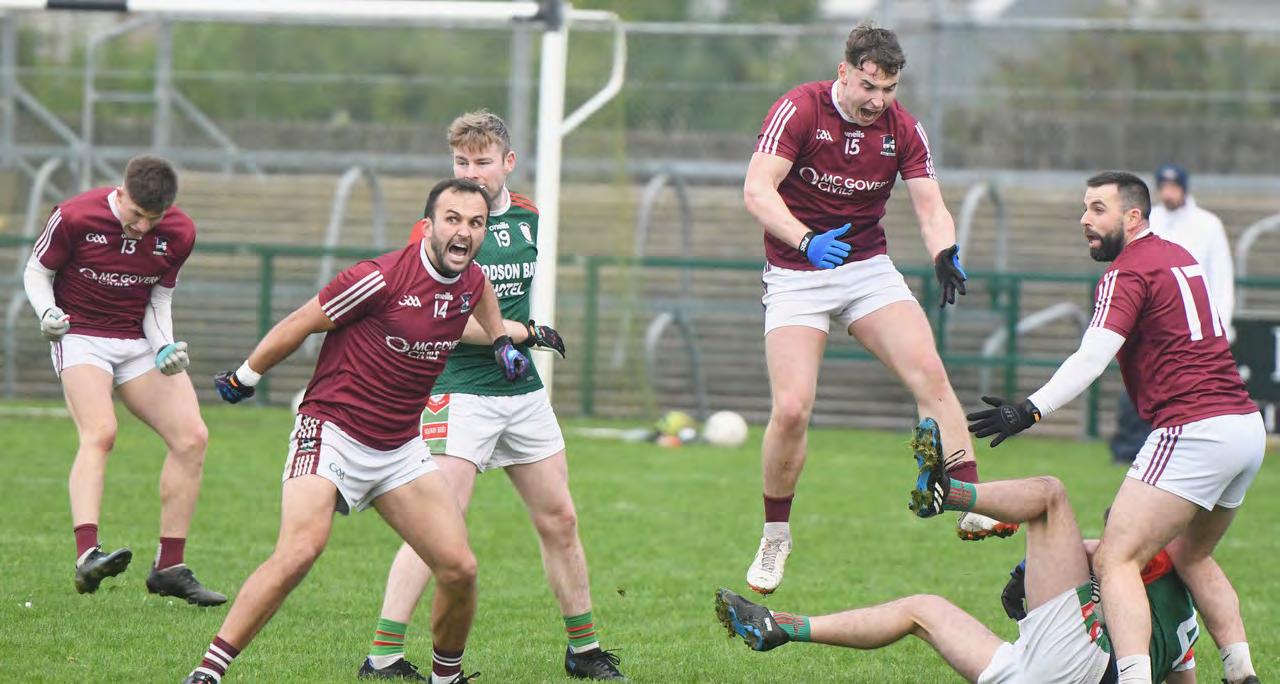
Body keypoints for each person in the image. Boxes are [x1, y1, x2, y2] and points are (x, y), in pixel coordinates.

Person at [181, 178, 529, 684]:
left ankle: (446, 678)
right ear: (428, 226)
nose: (464, 232)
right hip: (332, 431)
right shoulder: (379, 278)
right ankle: (208, 672)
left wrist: (500, 342)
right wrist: (245, 376)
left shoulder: (471, 279)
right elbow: (302, 321)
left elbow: (482, 295)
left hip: (399, 447)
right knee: (300, 550)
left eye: (476, 223)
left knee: (460, 569)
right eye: (453, 219)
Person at [740, 21, 1013, 595]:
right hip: (797, 273)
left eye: (888, 89)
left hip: (866, 270)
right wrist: (806, 241)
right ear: (844, 72)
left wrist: (944, 251)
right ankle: (775, 536)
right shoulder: (799, 109)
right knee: (792, 409)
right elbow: (757, 190)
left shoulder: (903, 128)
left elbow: (930, 206)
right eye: (868, 86)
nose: (877, 101)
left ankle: (969, 502)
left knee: (930, 374)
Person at [358, 111, 626, 681]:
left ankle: (584, 651)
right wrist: (522, 333)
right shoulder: (435, 231)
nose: (471, 172)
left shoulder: (528, 216)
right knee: (438, 524)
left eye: (482, 161)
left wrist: (518, 337)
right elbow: (442, 317)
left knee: (561, 518)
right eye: (461, 162)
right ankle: (382, 656)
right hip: (458, 390)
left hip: (520, 389)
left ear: (508, 163)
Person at [966, 171, 1262, 684]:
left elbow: (1092, 356)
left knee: (1117, 559)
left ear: (1133, 216)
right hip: (1244, 427)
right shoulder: (1178, 255)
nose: (1085, 219)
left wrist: (1030, 409)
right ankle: (1242, 673)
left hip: (1194, 429)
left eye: (1098, 209)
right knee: (1191, 555)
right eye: (1084, 208)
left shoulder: (1127, 272)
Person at [715, 418, 1199, 684]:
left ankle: (951, 493)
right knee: (920, 610)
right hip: (1041, 670)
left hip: (1080, 668)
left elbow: (1107, 551)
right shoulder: (1185, 616)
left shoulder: (1138, 556)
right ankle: (782, 626)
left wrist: (1031, 560)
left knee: (1050, 495)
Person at [23, 154, 223, 605]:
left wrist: (165, 348)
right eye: (136, 214)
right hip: (80, 336)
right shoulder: (74, 216)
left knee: (192, 437)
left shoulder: (180, 232)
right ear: (121, 192)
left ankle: (169, 568)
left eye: (154, 218)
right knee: (101, 432)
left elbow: (158, 299)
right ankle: (87, 556)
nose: (143, 227)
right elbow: (38, 271)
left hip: (136, 341)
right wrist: (48, 313)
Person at [1111, 164, 1235, 463]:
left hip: (1195, 326)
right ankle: (1131, 449)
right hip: (1152, 325)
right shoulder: (1150, 221)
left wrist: (1219, 326)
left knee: (1191, 392)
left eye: (1173, 187)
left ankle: (1187, 450)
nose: (1168, 193)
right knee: (1139, 388)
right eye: (1163, 187)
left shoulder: (1208, 224)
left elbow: (1221, 280)